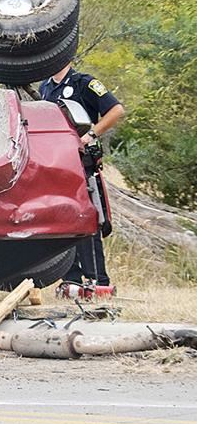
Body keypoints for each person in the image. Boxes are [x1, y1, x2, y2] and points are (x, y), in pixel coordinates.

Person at [39, 61, 125, 287]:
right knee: (64, 220)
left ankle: (97, 280)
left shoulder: (84, 83)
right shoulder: (45, 88)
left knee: (88, 219)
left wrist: (92, 135)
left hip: (82, 163)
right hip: (58, 164)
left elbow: (116, 110)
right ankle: (72, 280)